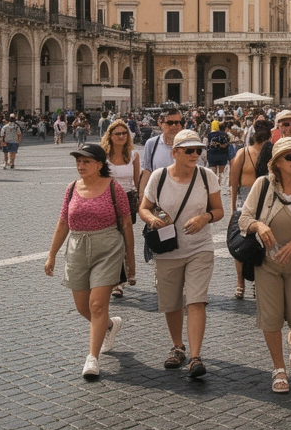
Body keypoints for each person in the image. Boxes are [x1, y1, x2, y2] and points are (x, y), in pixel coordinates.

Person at [44, 143, 136, 380]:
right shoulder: (72, 188)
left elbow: (126, 224)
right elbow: (63, 222)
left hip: (108, 248)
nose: (81, 166)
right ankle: (107, 326)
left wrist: (131, 260)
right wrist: (51, 254)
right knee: (82, 306)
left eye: (86, 161)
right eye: (78, 161)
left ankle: (92, 358)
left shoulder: (114, 188)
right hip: (77, 248)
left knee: (97, 305)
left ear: (99, 164)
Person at [240, 136, 291, 394]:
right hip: (267, 262)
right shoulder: (262, 185)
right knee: (271, 316)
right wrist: (259, 225)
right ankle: (278, 368)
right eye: (290, 157)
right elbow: (244, 219)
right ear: (276, 163)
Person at [138, 130, 223, 377]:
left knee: (196, 300)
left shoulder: (207, 177)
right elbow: (143, 208)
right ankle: (178, 347)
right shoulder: (159, 177)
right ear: (174, 152)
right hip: (167, 249)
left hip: (200, 247)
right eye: (189, 150)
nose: (195, 154)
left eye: (198, 150)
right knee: (171, 302)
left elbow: (218, 211)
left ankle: (195, 357)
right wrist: (153, 219)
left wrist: (205, 217)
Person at [230, 119, 273, 299]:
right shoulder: (245, 153)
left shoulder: (245, 153)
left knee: (247, 245)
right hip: (251, 202)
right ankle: (251, 282)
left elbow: (233, 185)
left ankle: (242, 283)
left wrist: (233, 208)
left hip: (253, 201)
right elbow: (234, 183)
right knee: (254, 245)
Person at [103, 119, 142, 299]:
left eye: (124, 133)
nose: (121, 137)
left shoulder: (133, 155)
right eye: (117, 134)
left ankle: (127, 268)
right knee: (113, 241)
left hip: (127, 199)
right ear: (110, 136)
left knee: (124, 238)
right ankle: (117, 281)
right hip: (107, 200)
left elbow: (137, 181)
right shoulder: (102, 156)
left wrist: (141, 202)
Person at [140, 110, 183, 189]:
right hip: (159, 194)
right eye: (170, 123)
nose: (174, 126)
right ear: (160, 124)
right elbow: (147, 171)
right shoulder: (152, 144)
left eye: (177, 122)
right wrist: (142, 196)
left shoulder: (188, 144)